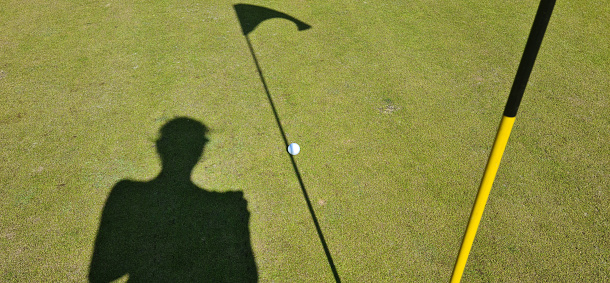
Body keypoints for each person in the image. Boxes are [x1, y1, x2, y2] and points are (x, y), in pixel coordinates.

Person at [89, 117, 257, 282]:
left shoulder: (127, 195)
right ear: (199, 153)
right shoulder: (220, 207)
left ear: (160, 147)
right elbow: (245, 277)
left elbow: (101, 273)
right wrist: (237, 228)